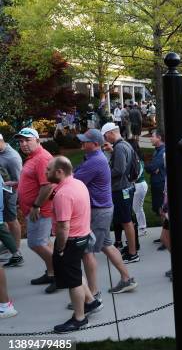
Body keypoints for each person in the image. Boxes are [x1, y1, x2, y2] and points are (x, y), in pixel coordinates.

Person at [74, 129, 138, 298]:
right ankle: (127, 278)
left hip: (98, 211)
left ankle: (93, 294)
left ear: (95, 144)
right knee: (106, 245)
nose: (82, 143)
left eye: (85, 141)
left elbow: (73, 180)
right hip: (101, 210)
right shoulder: (94, 158)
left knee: (87, 252)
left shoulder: (95, 161)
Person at [47, 156, 102, 333]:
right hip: (82, 236)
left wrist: (60, 248)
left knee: (73, 282)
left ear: (59, 172)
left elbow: (63, 227)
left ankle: (79, 318)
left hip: (71, 241)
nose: (46, 172)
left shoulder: (63, 194)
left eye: (48, 170)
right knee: (76, 274)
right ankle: (91, 302)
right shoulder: (78, 184)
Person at [15, 128, 56, 293]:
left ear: (38, 141)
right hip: (34, 209)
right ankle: (52, 273)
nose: (23, 144)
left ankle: (61, 273)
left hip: (40, 211)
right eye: (20, 141)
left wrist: (36, 205)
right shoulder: (32, 157)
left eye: (27, 140)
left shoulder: (42, 158)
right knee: (44, 242)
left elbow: (47, 186)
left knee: (36, 243)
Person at [101, 122, 139, 263]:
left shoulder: (120, 148)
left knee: (126, 221)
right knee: (126, 220)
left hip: (121, 189)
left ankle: (133, 253)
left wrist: (103, 174)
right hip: (126, 187)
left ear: (111, 133)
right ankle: (131, 249)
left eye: (105, 136)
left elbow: (119, 170)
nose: (105, 140)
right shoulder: (124, 144)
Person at [0, 134, 23, 267]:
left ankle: (16, 251)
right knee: (4, 220)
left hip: (10, 193)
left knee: (11, 219)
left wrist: (8, 184)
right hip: (1, 191)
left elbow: (20, 181)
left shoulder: (12, 157)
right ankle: (10, 246)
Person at [145, 130, 166, 229]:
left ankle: (167, 237)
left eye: (152, 136)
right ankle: (164, 236)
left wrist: (152, 167)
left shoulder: (163, 151)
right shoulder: (157, 151)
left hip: (161, 184)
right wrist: (151, 167)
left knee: (162, 210)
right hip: (157, 183)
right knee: (159, 210)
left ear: (159, 138)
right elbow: (150, 167)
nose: (150, 138)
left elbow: (153, 167)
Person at [132, 143, 148, 236]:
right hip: (138, 185)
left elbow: (136, 176)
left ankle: (142, 228)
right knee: (136, 208)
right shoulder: (137, 160)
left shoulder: (138, 161)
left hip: (139, 185)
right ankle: (141, 227)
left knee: (138, 208)